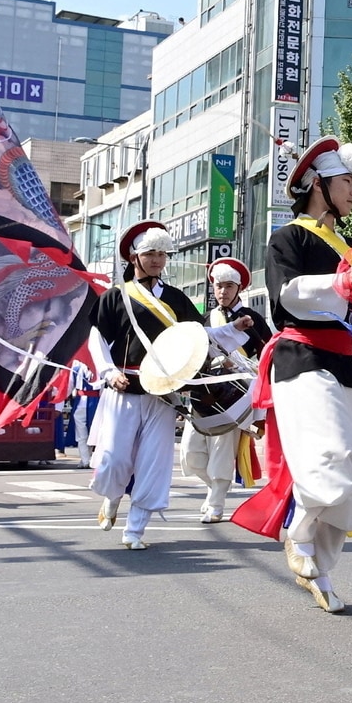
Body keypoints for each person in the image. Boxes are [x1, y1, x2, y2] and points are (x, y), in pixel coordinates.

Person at [232, 136, 352, 613]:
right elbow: (286, 294)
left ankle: (321, 568)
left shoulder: (350, 251)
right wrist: (339, 282)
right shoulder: (288, 238)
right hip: (302, 359)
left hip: (346, 364)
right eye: (347, 181)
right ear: (318, 184)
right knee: (329, 455)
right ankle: (299, 532)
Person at [88, 221, 253, 550]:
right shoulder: (116, 296)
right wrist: (108, 372)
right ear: (134, 256)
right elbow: (97, 338)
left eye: (162, 254)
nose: (157, 260)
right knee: (114, 459)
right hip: (125, 386)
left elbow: (199, 337)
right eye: (150, 253)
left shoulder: (176, 298)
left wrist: (233, 329)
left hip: (164, 393)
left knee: (154, 461)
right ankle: (112, 496)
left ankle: (135, 529)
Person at [180, 258, 272, 523]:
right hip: (202, 392)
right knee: (191, 453)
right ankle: (215, 490)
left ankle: (216, 503)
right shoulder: (205, 318)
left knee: (222, 449)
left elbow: (267, 355)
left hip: (236, 395)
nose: (223, 291)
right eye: (219, 286)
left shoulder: (253, 318)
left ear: (239, 288)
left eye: (229, 286)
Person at [67, 358, 101, 468]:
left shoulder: (99, 369)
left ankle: (87, 459)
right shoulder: (76, 369)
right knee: (81, 434)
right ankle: (85, 460)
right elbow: (69, 386)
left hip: (95, 403)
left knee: (93, 432)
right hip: (80, 403)